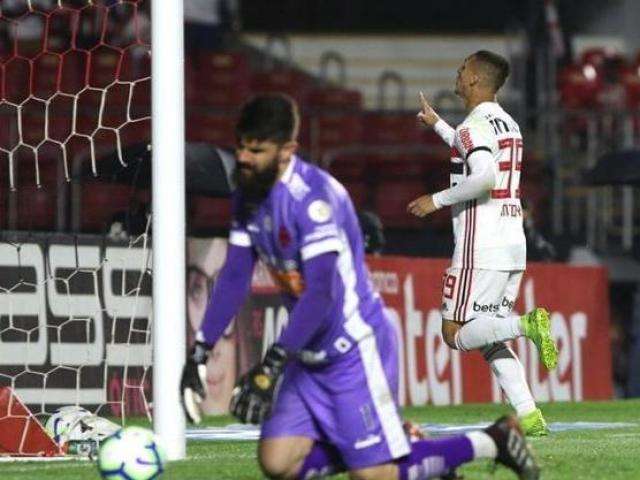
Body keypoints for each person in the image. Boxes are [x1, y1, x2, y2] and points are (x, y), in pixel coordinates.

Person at [181, 93, 539, 480]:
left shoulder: (315, 200)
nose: (246, 159)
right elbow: (235, 275)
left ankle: (492, 441)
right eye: (242, 148)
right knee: (277, 462)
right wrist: (200, 350)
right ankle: (392, 440)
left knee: (372, 477)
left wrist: (271, 365)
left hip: (353, 348)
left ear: (287, 151)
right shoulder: (247, 196)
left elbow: (321, 294)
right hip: (308, 355)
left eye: (257, 150)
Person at [407, 50, 559, 437]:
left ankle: (525, 325)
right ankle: (529, 416)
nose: (457, 74)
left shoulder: (473, 124)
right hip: (512, 242)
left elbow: (485, 176)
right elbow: (468, 144)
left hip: (480, 245)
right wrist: (438, 124)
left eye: (461, 70)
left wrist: (435, 200)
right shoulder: (508, 123)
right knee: (489, 335)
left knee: (454, 333)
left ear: (474, 79)